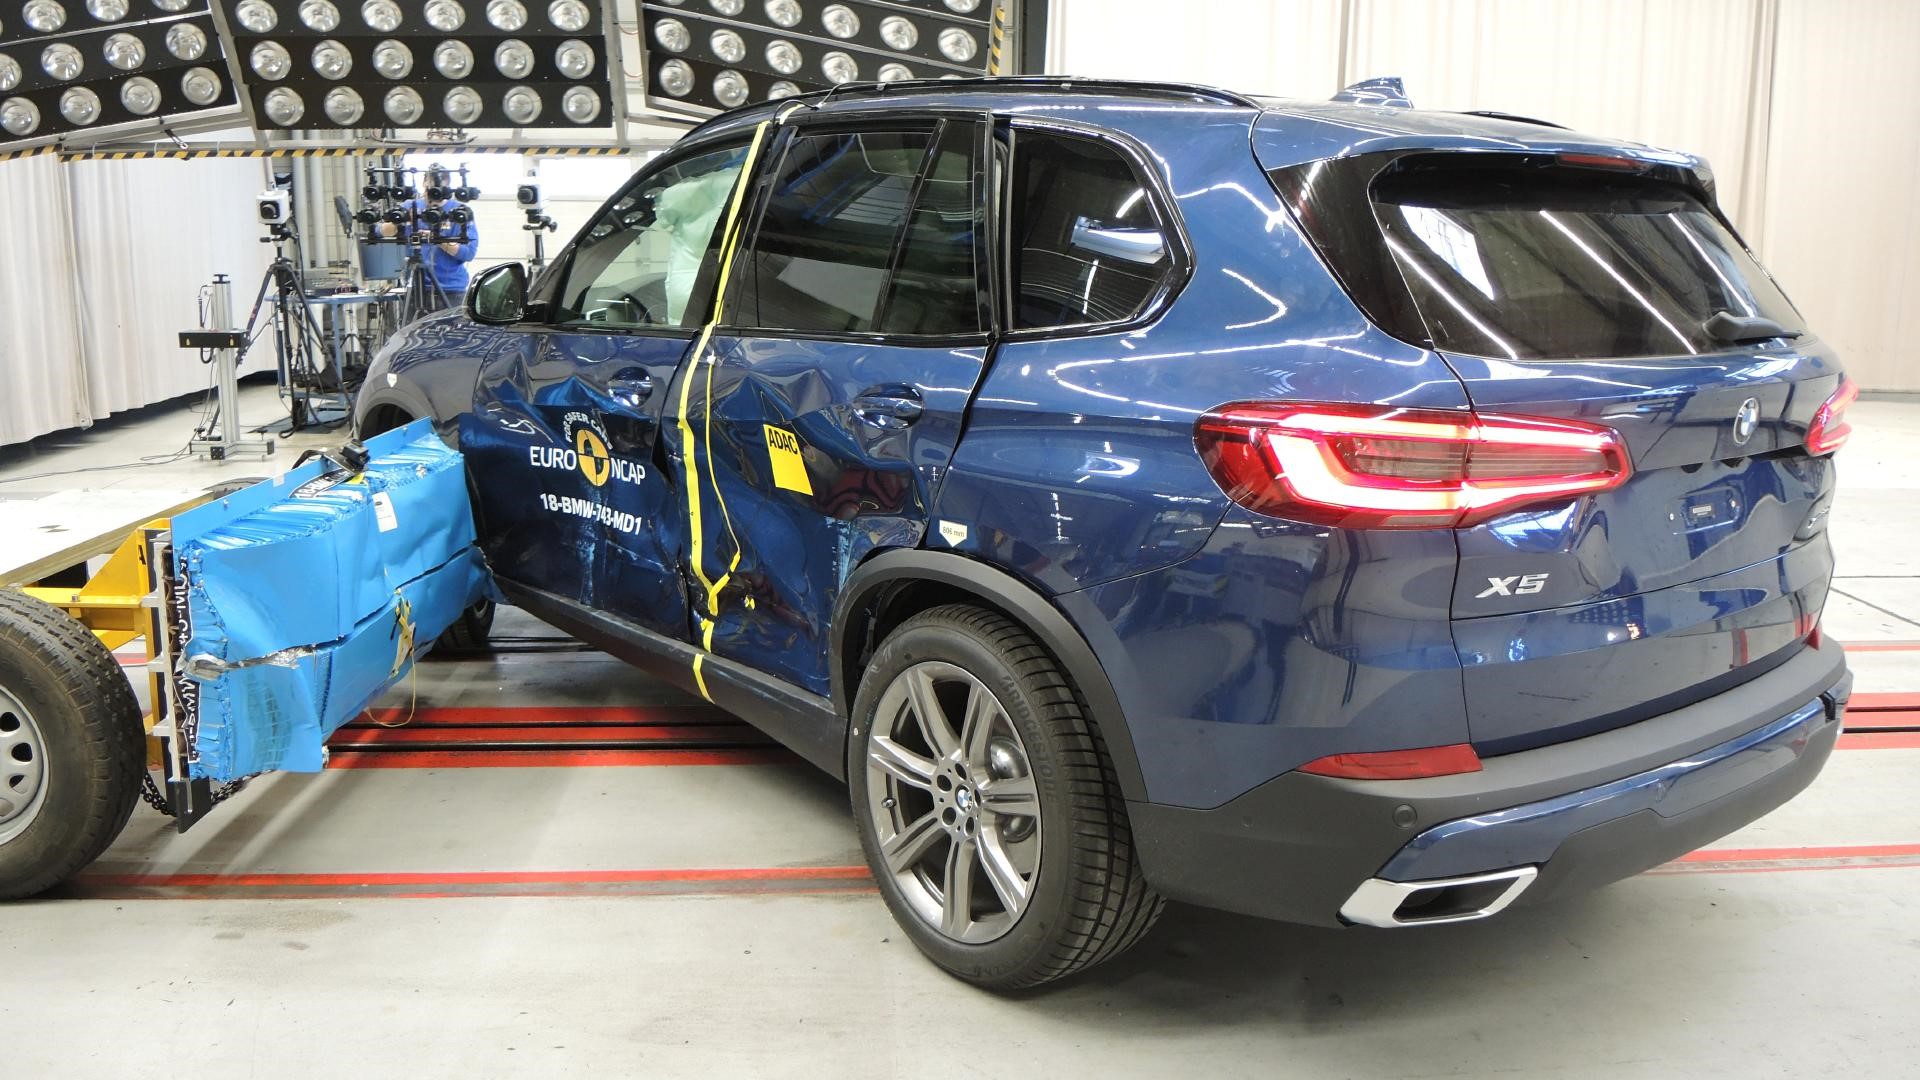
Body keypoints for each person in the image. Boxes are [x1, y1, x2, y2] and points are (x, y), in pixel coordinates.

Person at [378, 164, 477, 311]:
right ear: (423, 183)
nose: (433, 194)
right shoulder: (410, 206)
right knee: (411, 334)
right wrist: (404, 220)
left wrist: (436, 239)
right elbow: (381, 231)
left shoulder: (459, 211)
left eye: (438, 189)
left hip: (451, 290)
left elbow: (468, 253)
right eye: (430, 188)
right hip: (417, 289)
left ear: (447, 186)